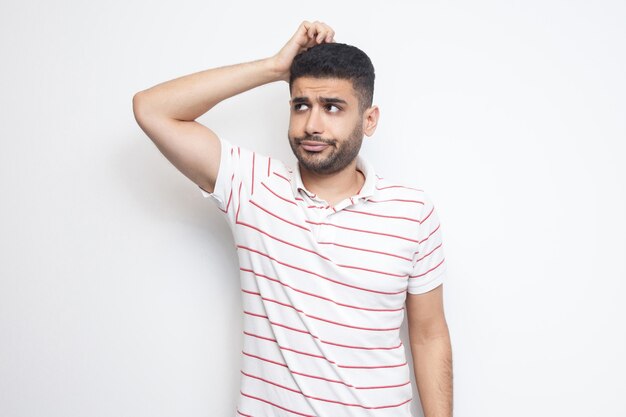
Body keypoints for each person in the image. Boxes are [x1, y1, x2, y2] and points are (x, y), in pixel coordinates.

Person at [133, 20, 452, 417]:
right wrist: (273, 67)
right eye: (301, 105)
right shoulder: (253, 188)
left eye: (332, 107)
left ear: (369, 120)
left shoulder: (412, 212)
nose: (311, 125)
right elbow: (151, 109)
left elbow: (428, 335)